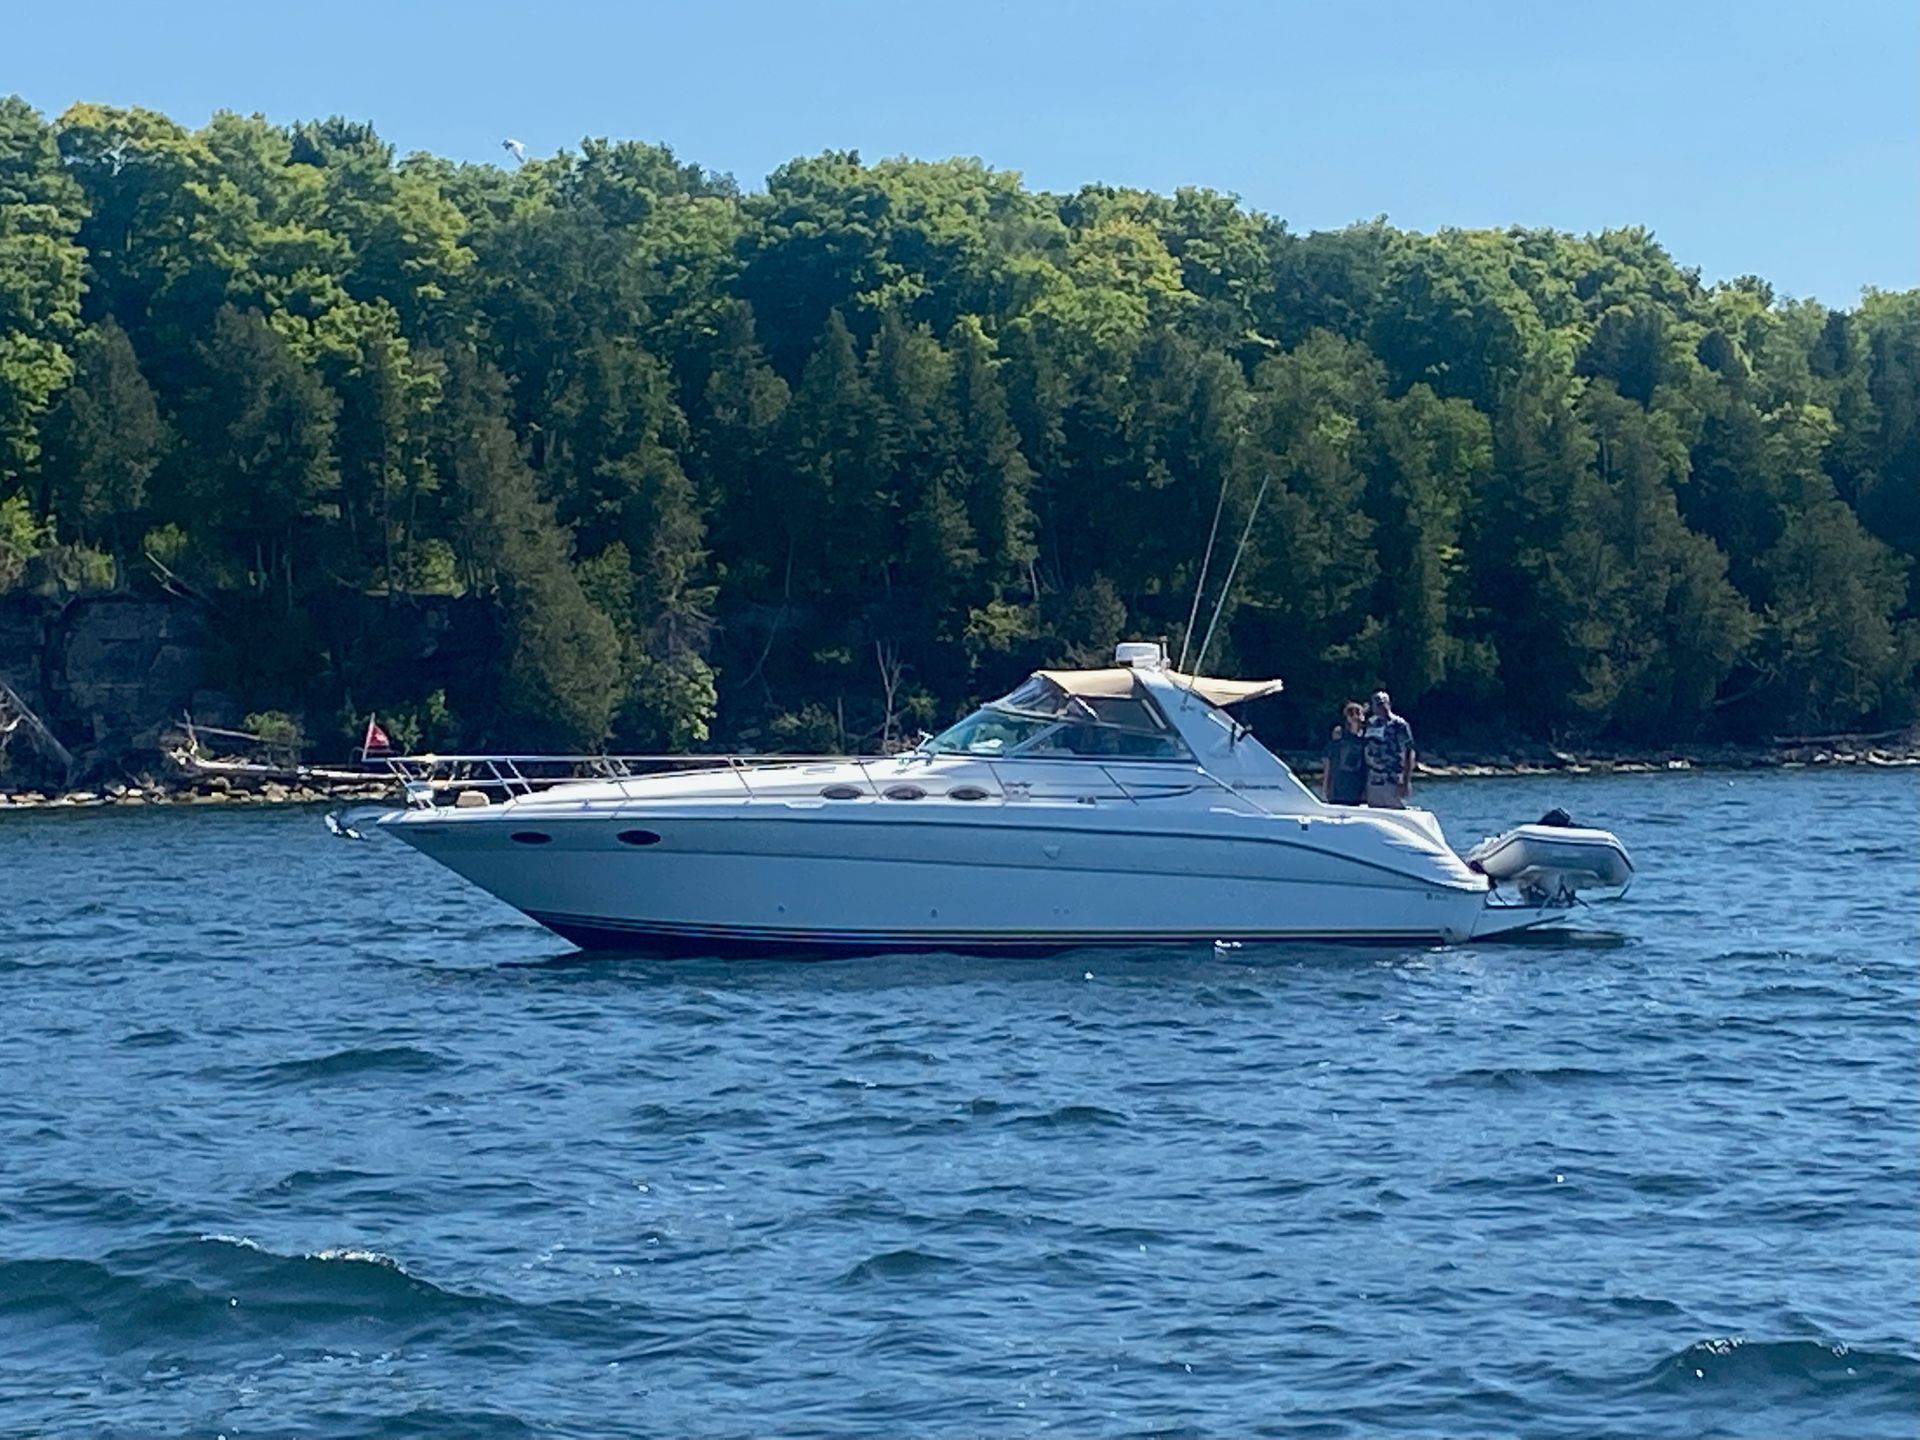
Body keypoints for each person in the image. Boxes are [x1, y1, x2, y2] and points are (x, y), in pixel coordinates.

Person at [1362, 689, 1415, 809]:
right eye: (1377, 704)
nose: (1381, 707)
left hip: (1393, 779)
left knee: (1396, 811)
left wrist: (1406, 781)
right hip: (1373, 780)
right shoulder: (1369, 724)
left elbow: (1409, 753)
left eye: (1383, 703)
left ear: (1389, 704)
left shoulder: (1399, 725)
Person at [1322, 701, 1368, 806]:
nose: (1355, 716)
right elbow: (1329, 763)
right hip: (1339, 786)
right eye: (1351, 713)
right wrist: (1326, 787)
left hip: (1357, 786)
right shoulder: (1339, 738)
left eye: (1358, 713)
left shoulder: (1366, 739)